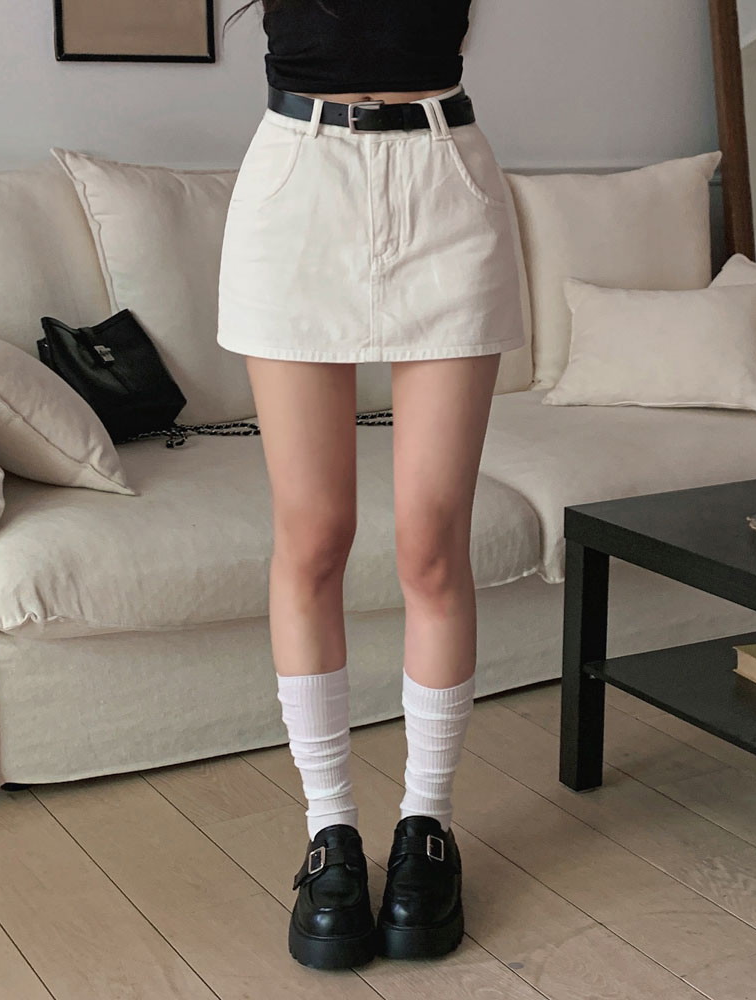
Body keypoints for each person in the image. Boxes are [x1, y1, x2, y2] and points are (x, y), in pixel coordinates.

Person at [216, 0, 526, 971]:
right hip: (299, 182)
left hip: (445, 179)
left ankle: (427, 826)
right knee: (313, 537)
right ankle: (331, 834)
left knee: (431, 546)